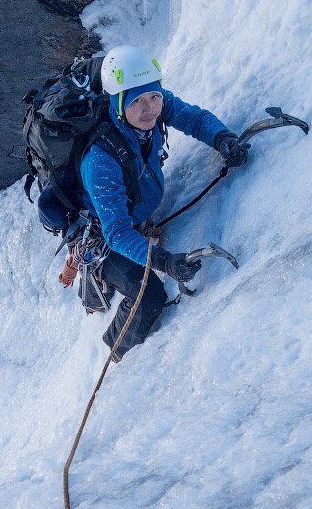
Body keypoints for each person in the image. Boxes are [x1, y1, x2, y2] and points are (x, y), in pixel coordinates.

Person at [60, 45, 249, 362]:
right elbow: (117, 233)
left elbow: (193, 118)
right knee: (148, 295)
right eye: (137, 101)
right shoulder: (100, 159)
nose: (149, 109)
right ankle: (117, 355)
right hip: (101, 234)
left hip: (131, 218)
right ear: (119, 104)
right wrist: (164, 261)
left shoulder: (154, 106)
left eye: (154, 97)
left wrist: (222, 138)